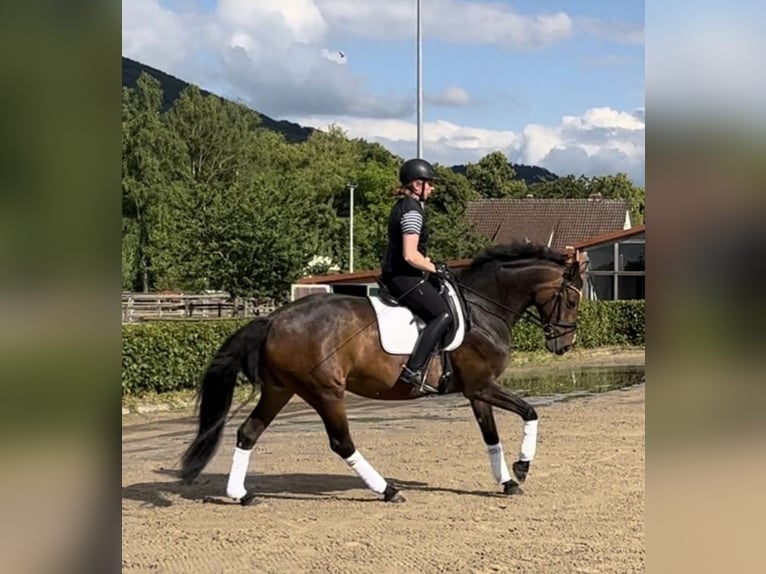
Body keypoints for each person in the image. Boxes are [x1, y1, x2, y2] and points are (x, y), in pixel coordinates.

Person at [380, 158, 452, 393]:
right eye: (428, 184)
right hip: (404, 276)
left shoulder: (404, 206)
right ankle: (413, 369)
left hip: (402, 273)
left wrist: (430, 265)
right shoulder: (412, 211)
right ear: (415, 184)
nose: (432, 188)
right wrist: (436, 269)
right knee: (442, 314)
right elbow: (410, 255)